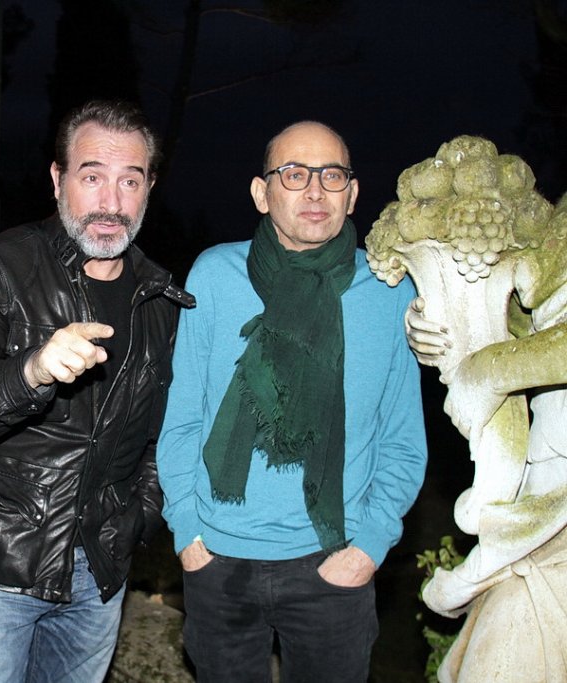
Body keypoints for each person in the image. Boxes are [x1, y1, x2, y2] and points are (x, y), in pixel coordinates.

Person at [0, 100, 194, 683]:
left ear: (149, 190)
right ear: (57, 179)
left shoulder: (162, 302)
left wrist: (135, 522)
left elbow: (164, 438)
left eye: (129, 181)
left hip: (99, 573)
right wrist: (32, 372)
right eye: (92, 177)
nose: (111, 203)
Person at [156, 121, 428, 682]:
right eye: (294, 174)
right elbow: (181, 417)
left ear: (352, 194)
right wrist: (188, 532)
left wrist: (369, 547)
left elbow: (402, 439)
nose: (314, 191)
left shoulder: (389, 291)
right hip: (219, 560)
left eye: (332, 176)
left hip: (335, 561)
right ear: (262, 193)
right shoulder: (214, 274)